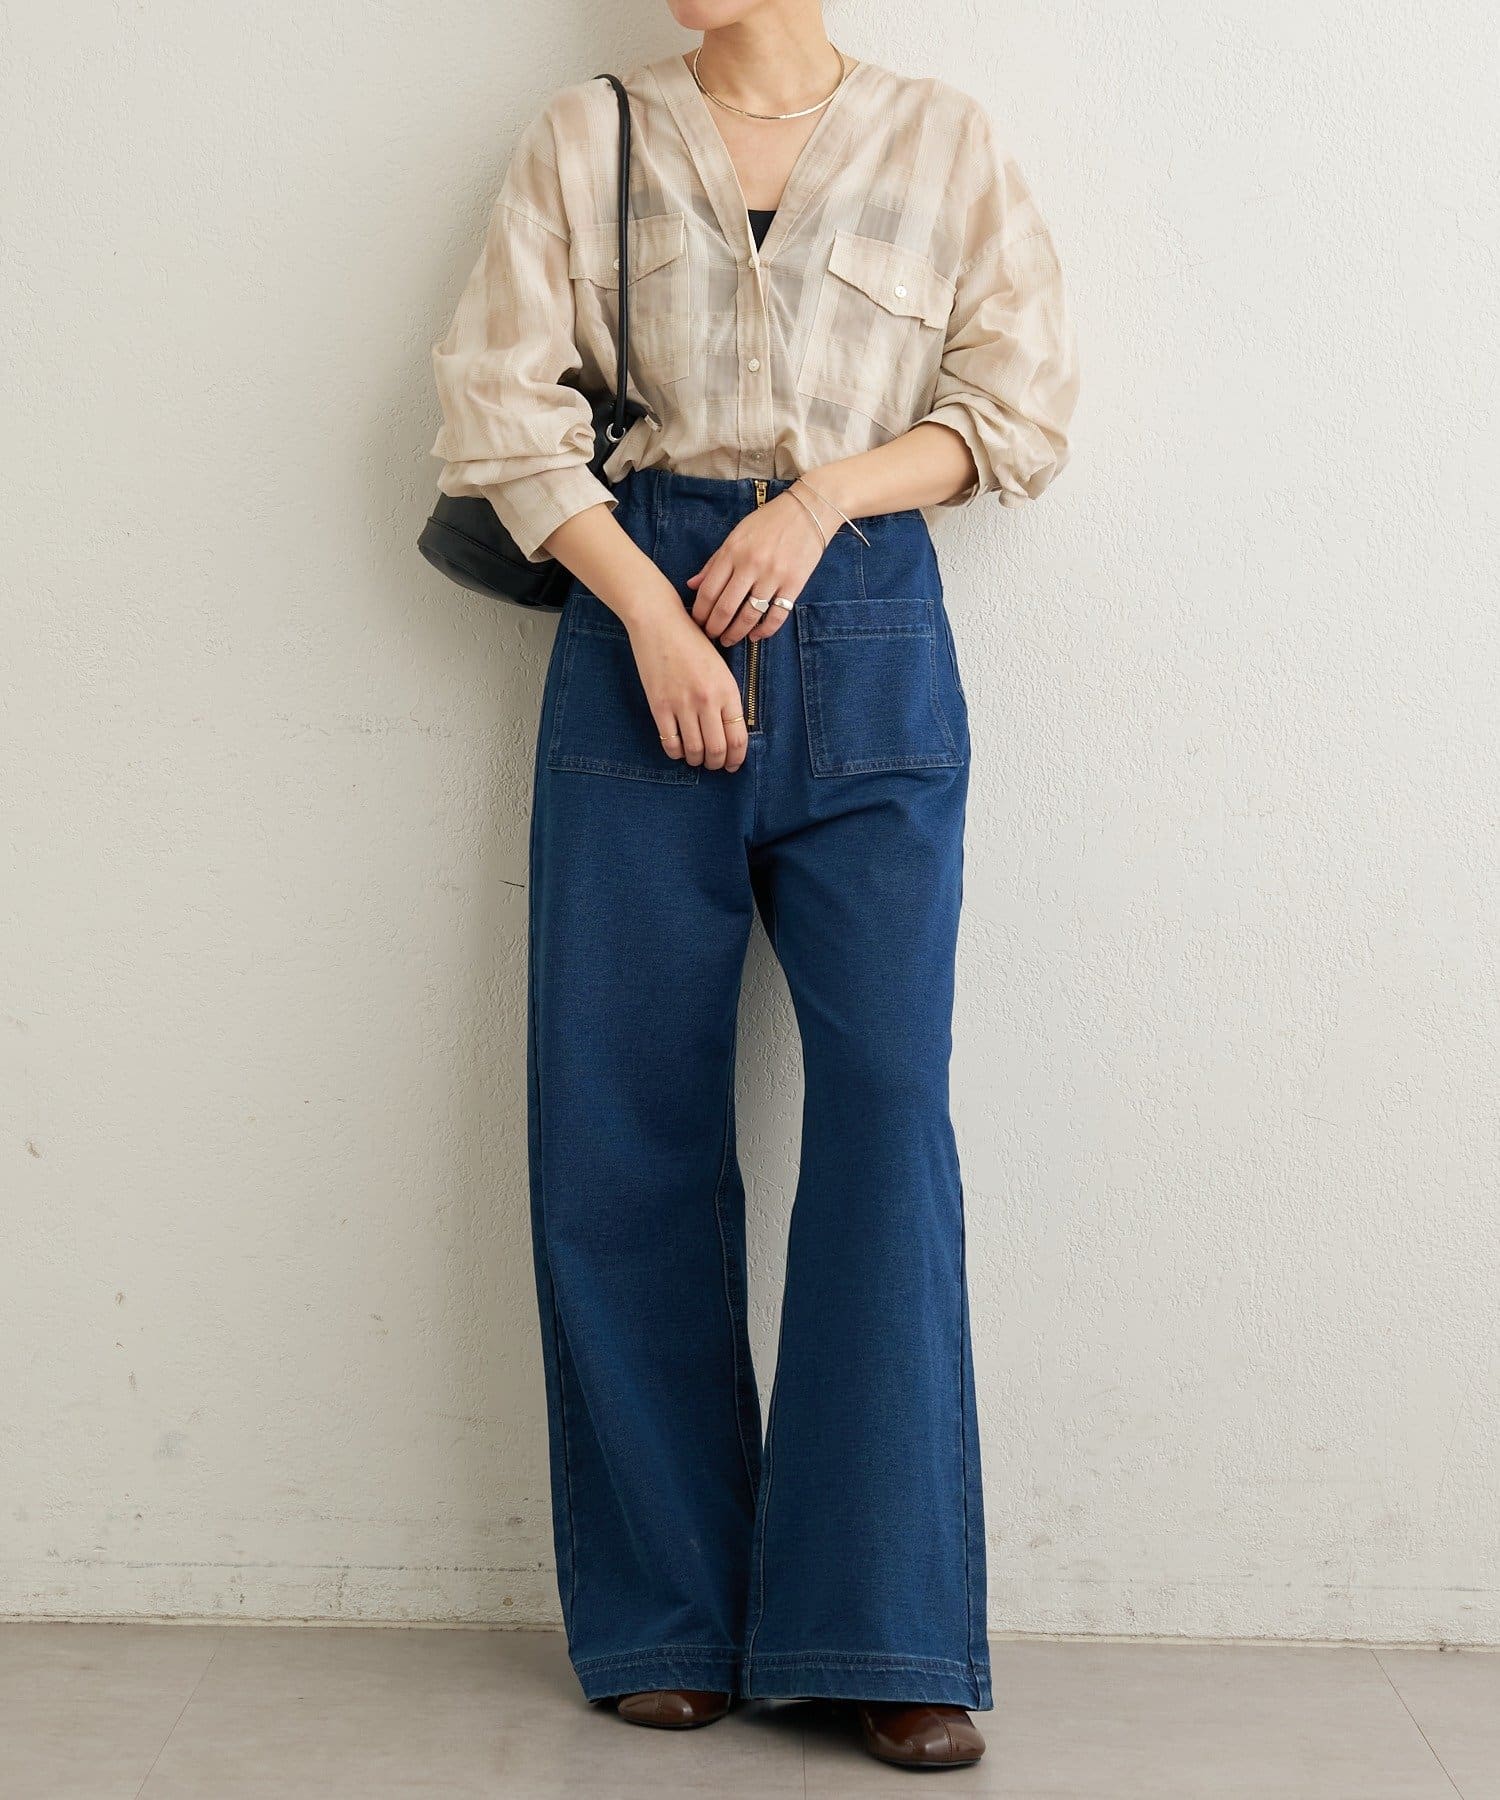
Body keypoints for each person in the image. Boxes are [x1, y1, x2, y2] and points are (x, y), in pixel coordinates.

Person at [429, 0, 1077, 1771]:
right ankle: (666, 1614)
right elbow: (496, 403)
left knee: (886, 1122)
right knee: (620, 1121)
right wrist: (650, 611)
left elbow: (1017, 407)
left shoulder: (943, 138)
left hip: (866, 625)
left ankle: (887, 1627)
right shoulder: (591, 134)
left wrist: (820, 502)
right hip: (635, 624)